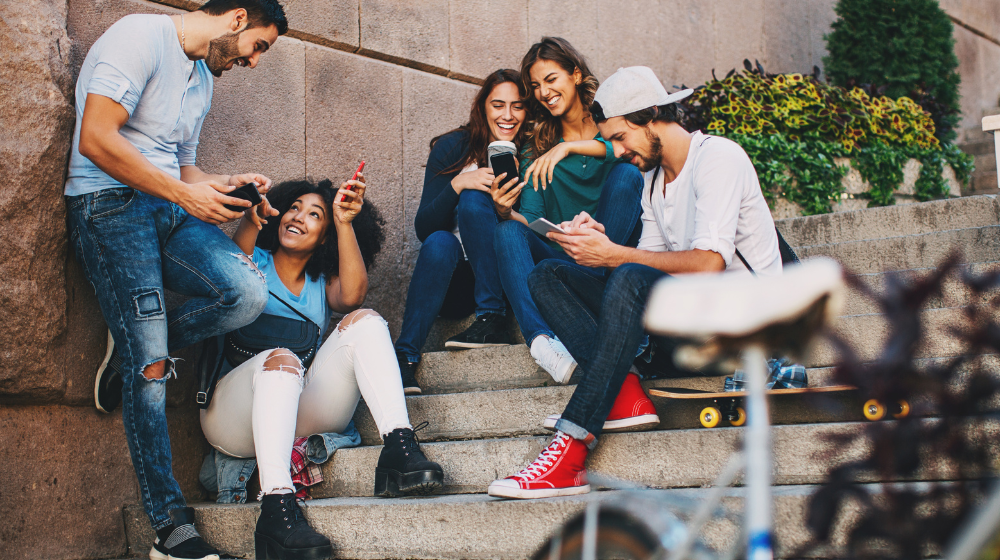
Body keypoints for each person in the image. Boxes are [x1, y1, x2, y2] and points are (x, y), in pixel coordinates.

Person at [488, 66, 782, 499]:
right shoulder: (652, 181)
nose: (618, 151)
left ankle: (569, 454)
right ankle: (625, 395)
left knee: (625, 271)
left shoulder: (718, 158)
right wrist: (598, 241)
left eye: (622, 137)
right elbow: (649, 263)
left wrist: (617, 256)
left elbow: (707, 264)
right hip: (685, 332)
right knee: (547, 275)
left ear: (652, 118)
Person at [65, 1, 288, 558]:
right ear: (236, 18)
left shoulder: (202, 80)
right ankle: (169, 528)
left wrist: (222, 185)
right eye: (259, 45)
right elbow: (95, 136)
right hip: (109, 206)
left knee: (246, 292)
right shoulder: (139, 36)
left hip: (167, 208)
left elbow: (183, 171)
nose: (255, 63)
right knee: (153, 368)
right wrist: (186, 194)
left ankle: (135, 342)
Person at [201, 177, 444, 559]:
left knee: (365, 320)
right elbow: (228, 274)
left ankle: (399, 446)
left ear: (325, 235)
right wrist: (252, 218)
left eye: (315, 214)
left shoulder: (319, 284)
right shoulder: (254, 260)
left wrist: (344, 219)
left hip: (294, 410)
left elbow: (352, 296)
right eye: (294, 207)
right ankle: (277, 507)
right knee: (281, 358)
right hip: (231, 416)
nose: (298, 216)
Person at [490, 37, 644, 385]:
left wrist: (569, 148)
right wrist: (505, 211)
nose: (543, 92)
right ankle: (543, 342)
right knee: (507, 230)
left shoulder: (609, 118)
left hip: (610, 259)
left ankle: (601, 285)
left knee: (626, 174)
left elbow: (625, 149)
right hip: (561, 262)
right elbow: (531, 218)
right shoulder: (537, 147)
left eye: (551, 79)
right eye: (535, 86)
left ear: (575, 74)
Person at [393, 69, 528, 394]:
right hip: (455, 284)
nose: (507, 115)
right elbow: (424, 228)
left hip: (507, 278)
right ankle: (405, 357)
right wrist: (458, 183)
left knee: (474, 199)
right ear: (482, 107)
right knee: (440, 240)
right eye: (498, 105)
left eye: (518, 106)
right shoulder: (454, 146)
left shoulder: (532, 151)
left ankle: (492, 316)